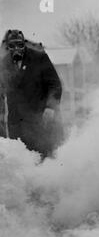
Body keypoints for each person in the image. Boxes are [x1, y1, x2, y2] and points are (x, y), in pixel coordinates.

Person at [0, 29, 63, 158]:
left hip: (39, 120)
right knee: (21, 165)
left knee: (44, 160)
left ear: (24, 44)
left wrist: (50, 107)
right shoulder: (3, 64)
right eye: (12, 46)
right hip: (16, 126)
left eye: (19, 44)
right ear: (7, 47)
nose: (16, 48)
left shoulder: (39, 58)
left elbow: (55, 84)